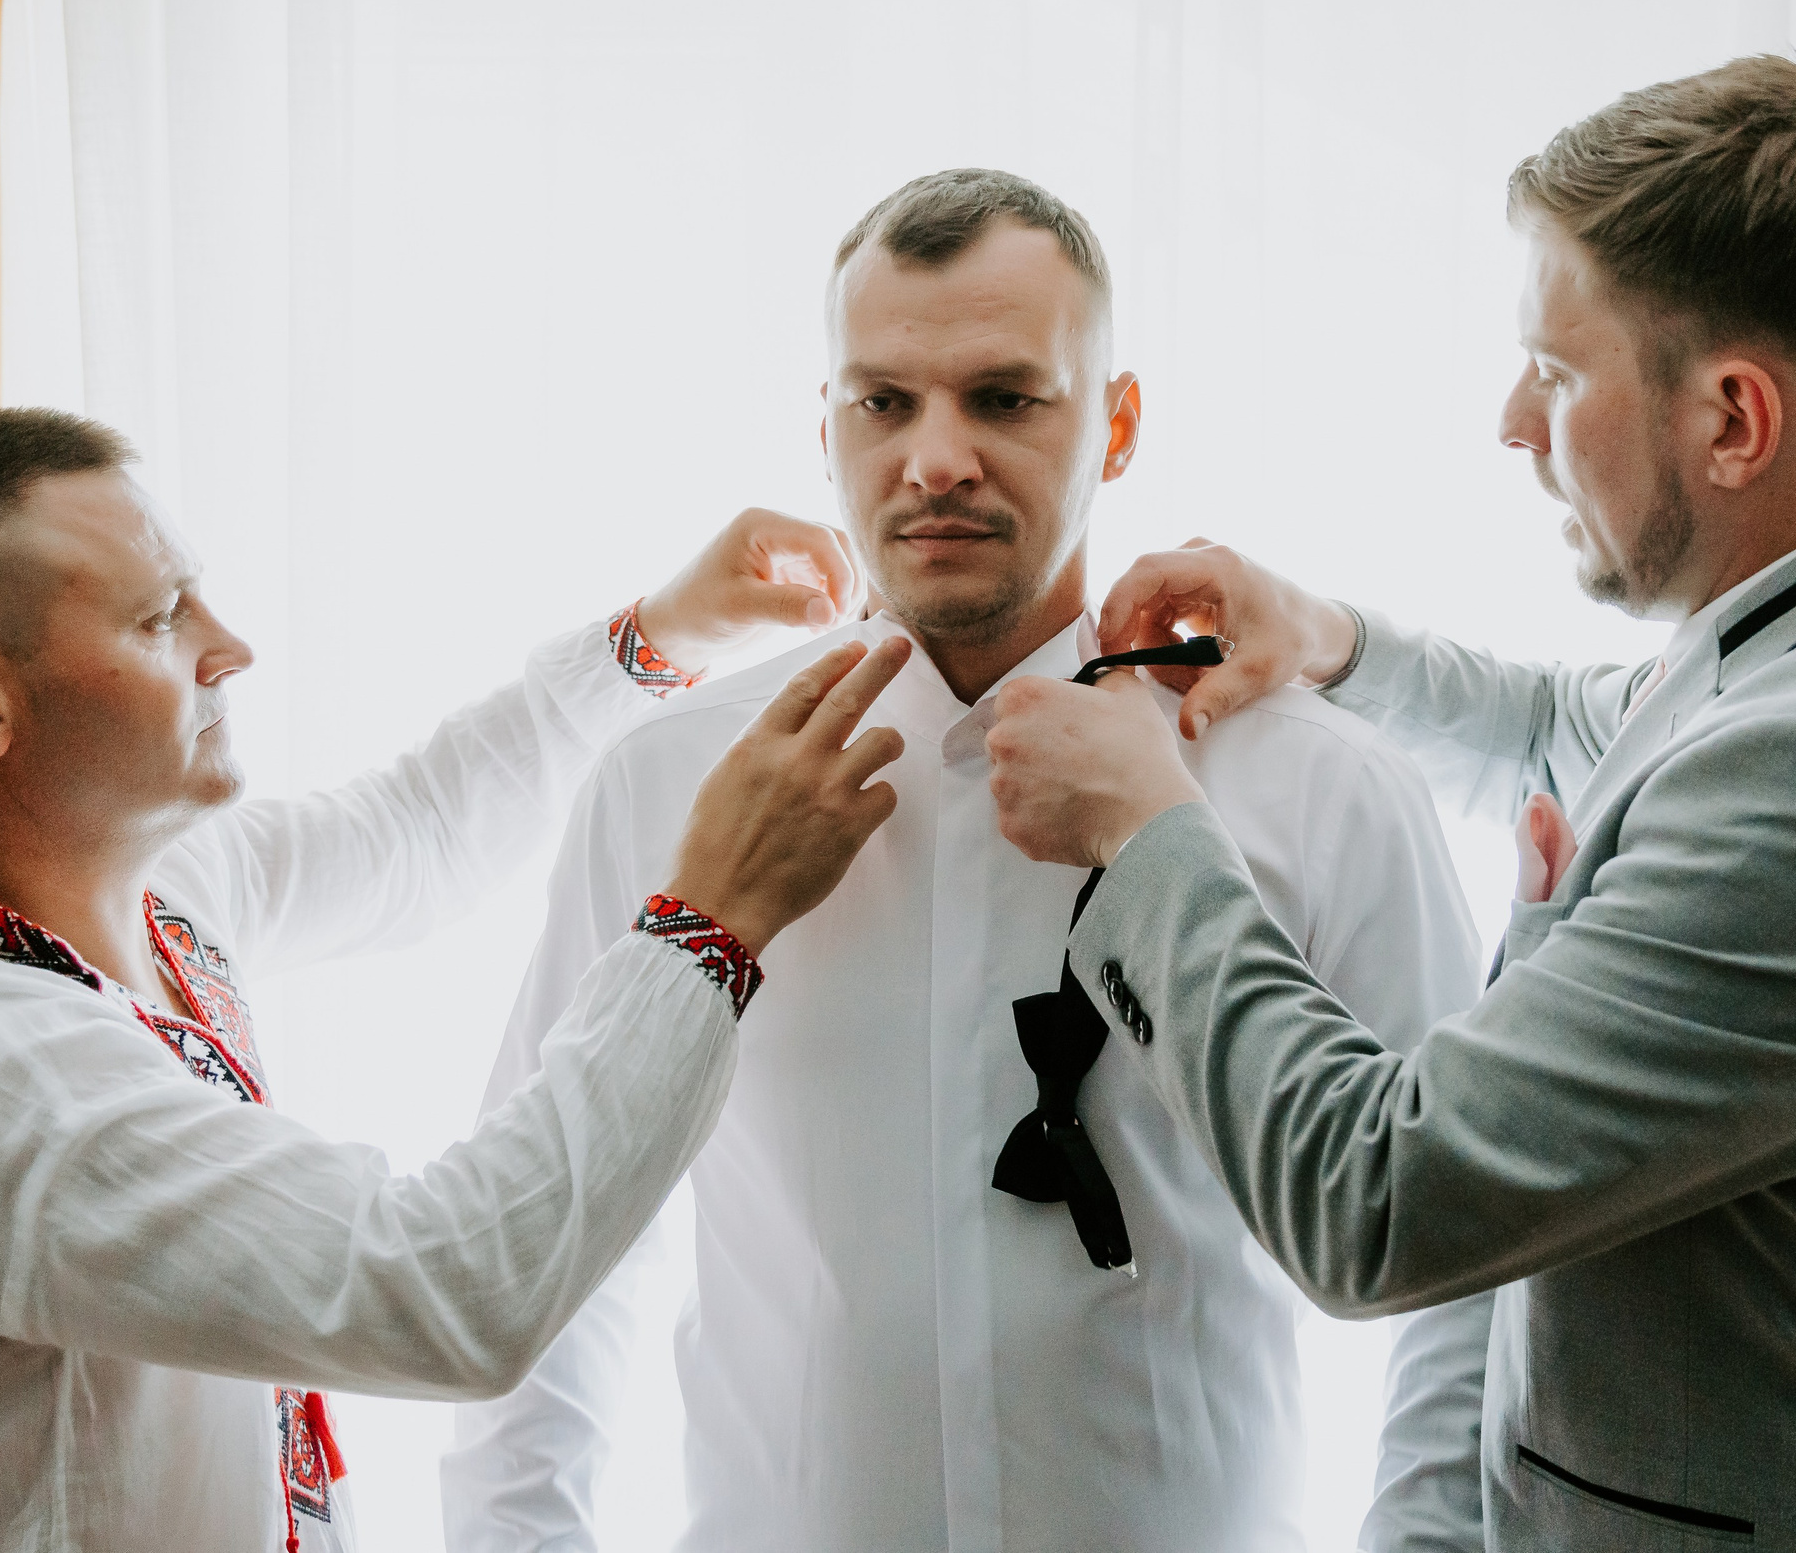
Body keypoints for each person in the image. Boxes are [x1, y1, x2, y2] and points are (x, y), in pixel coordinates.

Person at [984, 57, 1796, 1548]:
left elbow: (1373, 1192)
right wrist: (1332, 637)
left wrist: (1146, 833)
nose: (1514, 419)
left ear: (1732, 419)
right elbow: (1576, 723)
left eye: (1561, 371)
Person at [443, 171, 1492, 1553]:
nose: (936, 458)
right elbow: (546, 1242)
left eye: (1004, 398)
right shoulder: (665, 786)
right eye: (884, 401)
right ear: (824, 427)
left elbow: (1471, 1257)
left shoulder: (1320, 786)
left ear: (1114, 425)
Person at [0, 407, 916, 1553]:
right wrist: (714, 917)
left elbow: (416, 831)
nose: (229, 649)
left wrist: (662, 635)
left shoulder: (150, 892)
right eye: (157, 620)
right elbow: (446, 1288)